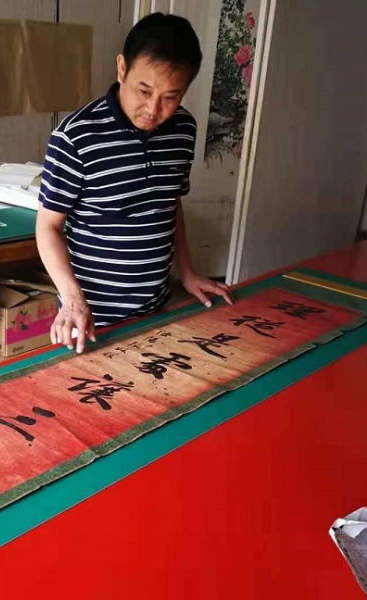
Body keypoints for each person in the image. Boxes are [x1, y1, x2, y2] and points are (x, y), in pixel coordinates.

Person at [36, 12, 234, 354]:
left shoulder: (183, 130)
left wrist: (187, 272)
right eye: (144, 90)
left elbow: (170, 203)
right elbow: (48, 226)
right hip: (92, 318)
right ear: (122, 68)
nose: (153, 109)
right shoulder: (76, 137)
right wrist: (72, 300)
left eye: (170, 97)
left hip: (157, 307)